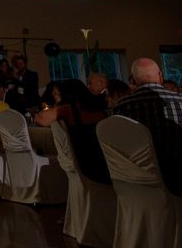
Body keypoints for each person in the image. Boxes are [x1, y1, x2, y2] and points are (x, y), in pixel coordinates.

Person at [113, 58, 182, 195]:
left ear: (132, 79)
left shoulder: (121, 106)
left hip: (139, 179)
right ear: (161, 75)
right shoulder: (180, 100)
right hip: (178, 175)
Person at [33, 79, 110, 184]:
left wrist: (58, 107)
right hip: (106, 161)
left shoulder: (69, 109)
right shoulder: (100, 109)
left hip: (87, 166)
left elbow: (40, 118)